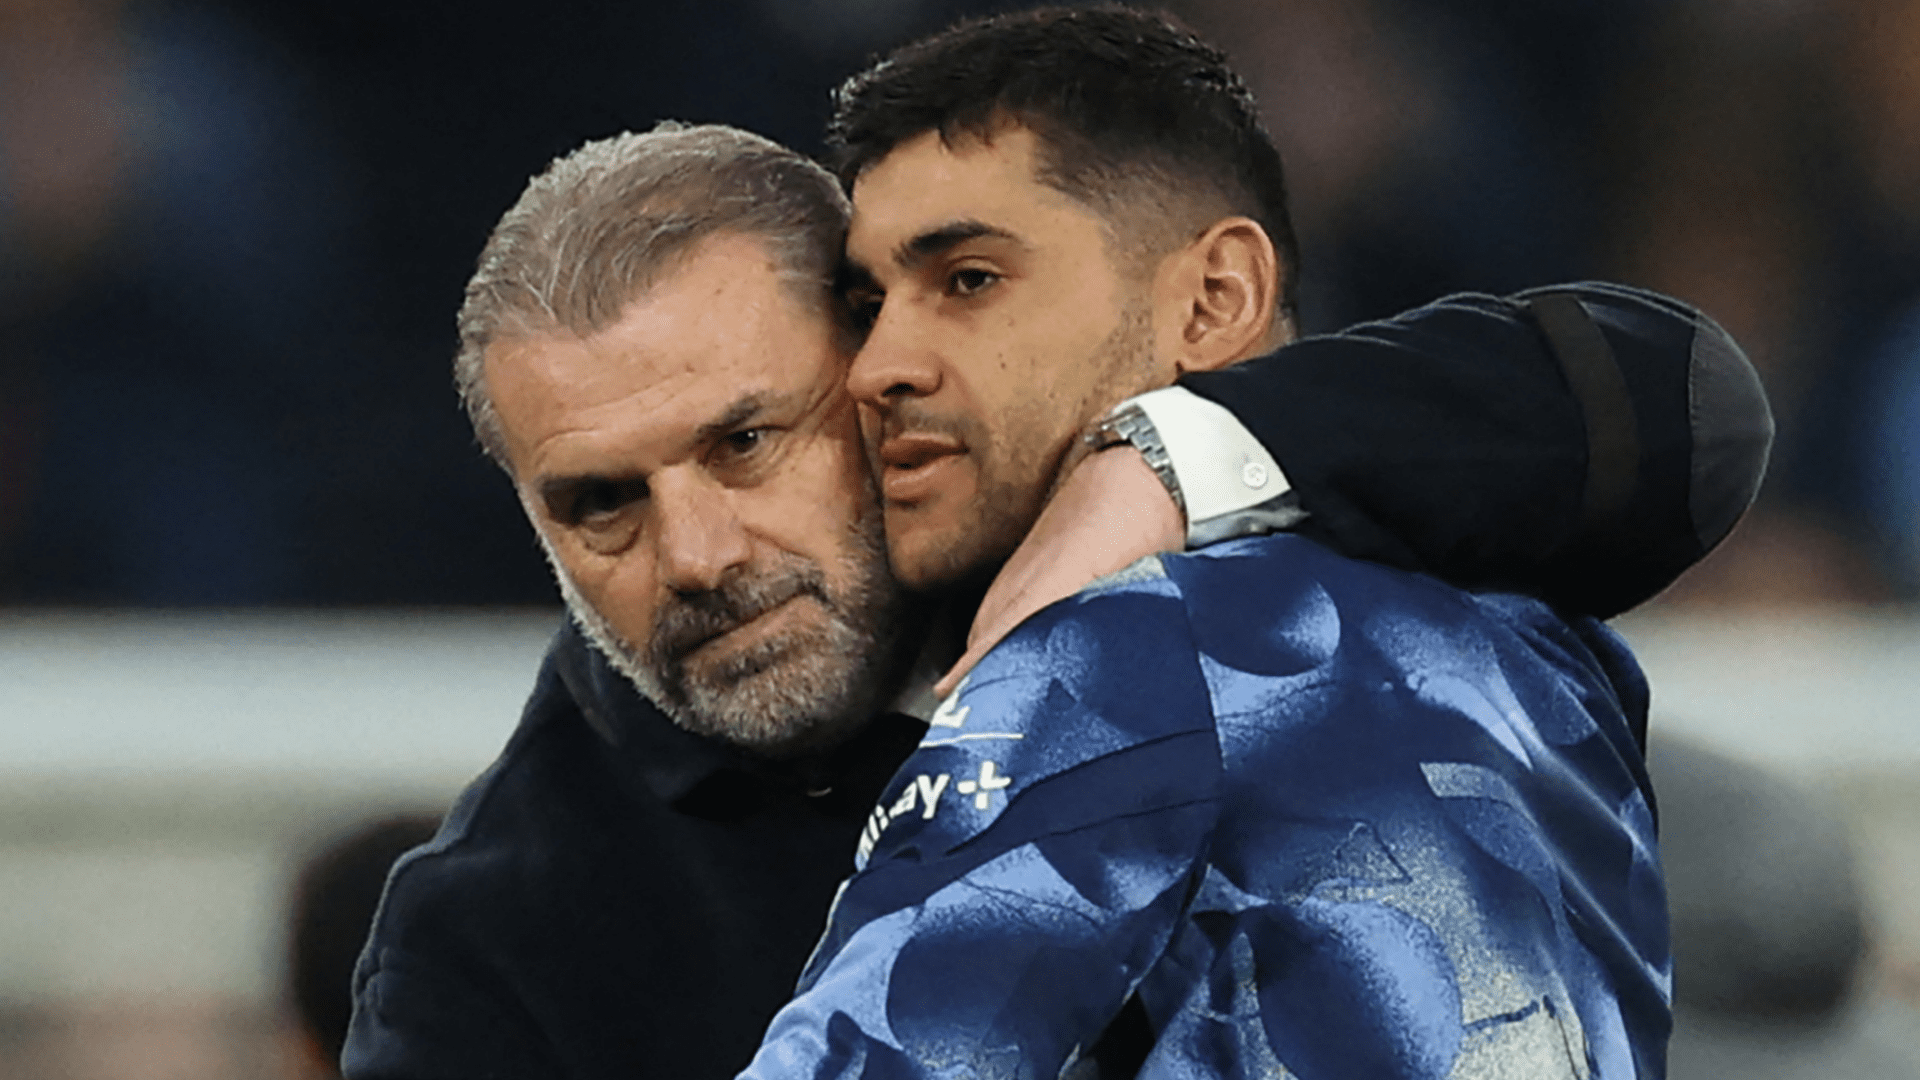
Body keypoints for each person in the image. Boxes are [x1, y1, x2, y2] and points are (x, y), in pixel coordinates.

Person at [345, 61, 1767, 1080]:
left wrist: (1166, 463)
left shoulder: (1220, 559)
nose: (698, 554)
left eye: (747, 442)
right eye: (600, 505)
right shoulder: (493, 937)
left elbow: (1678, 399)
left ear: (878, 370)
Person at [735, 7, 1765, 1077]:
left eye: (970, 281)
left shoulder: (1114, 650)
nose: (878, 366)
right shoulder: (1548, 647)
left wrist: (1146, 469)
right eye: (869, 305)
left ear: (1214, 300)